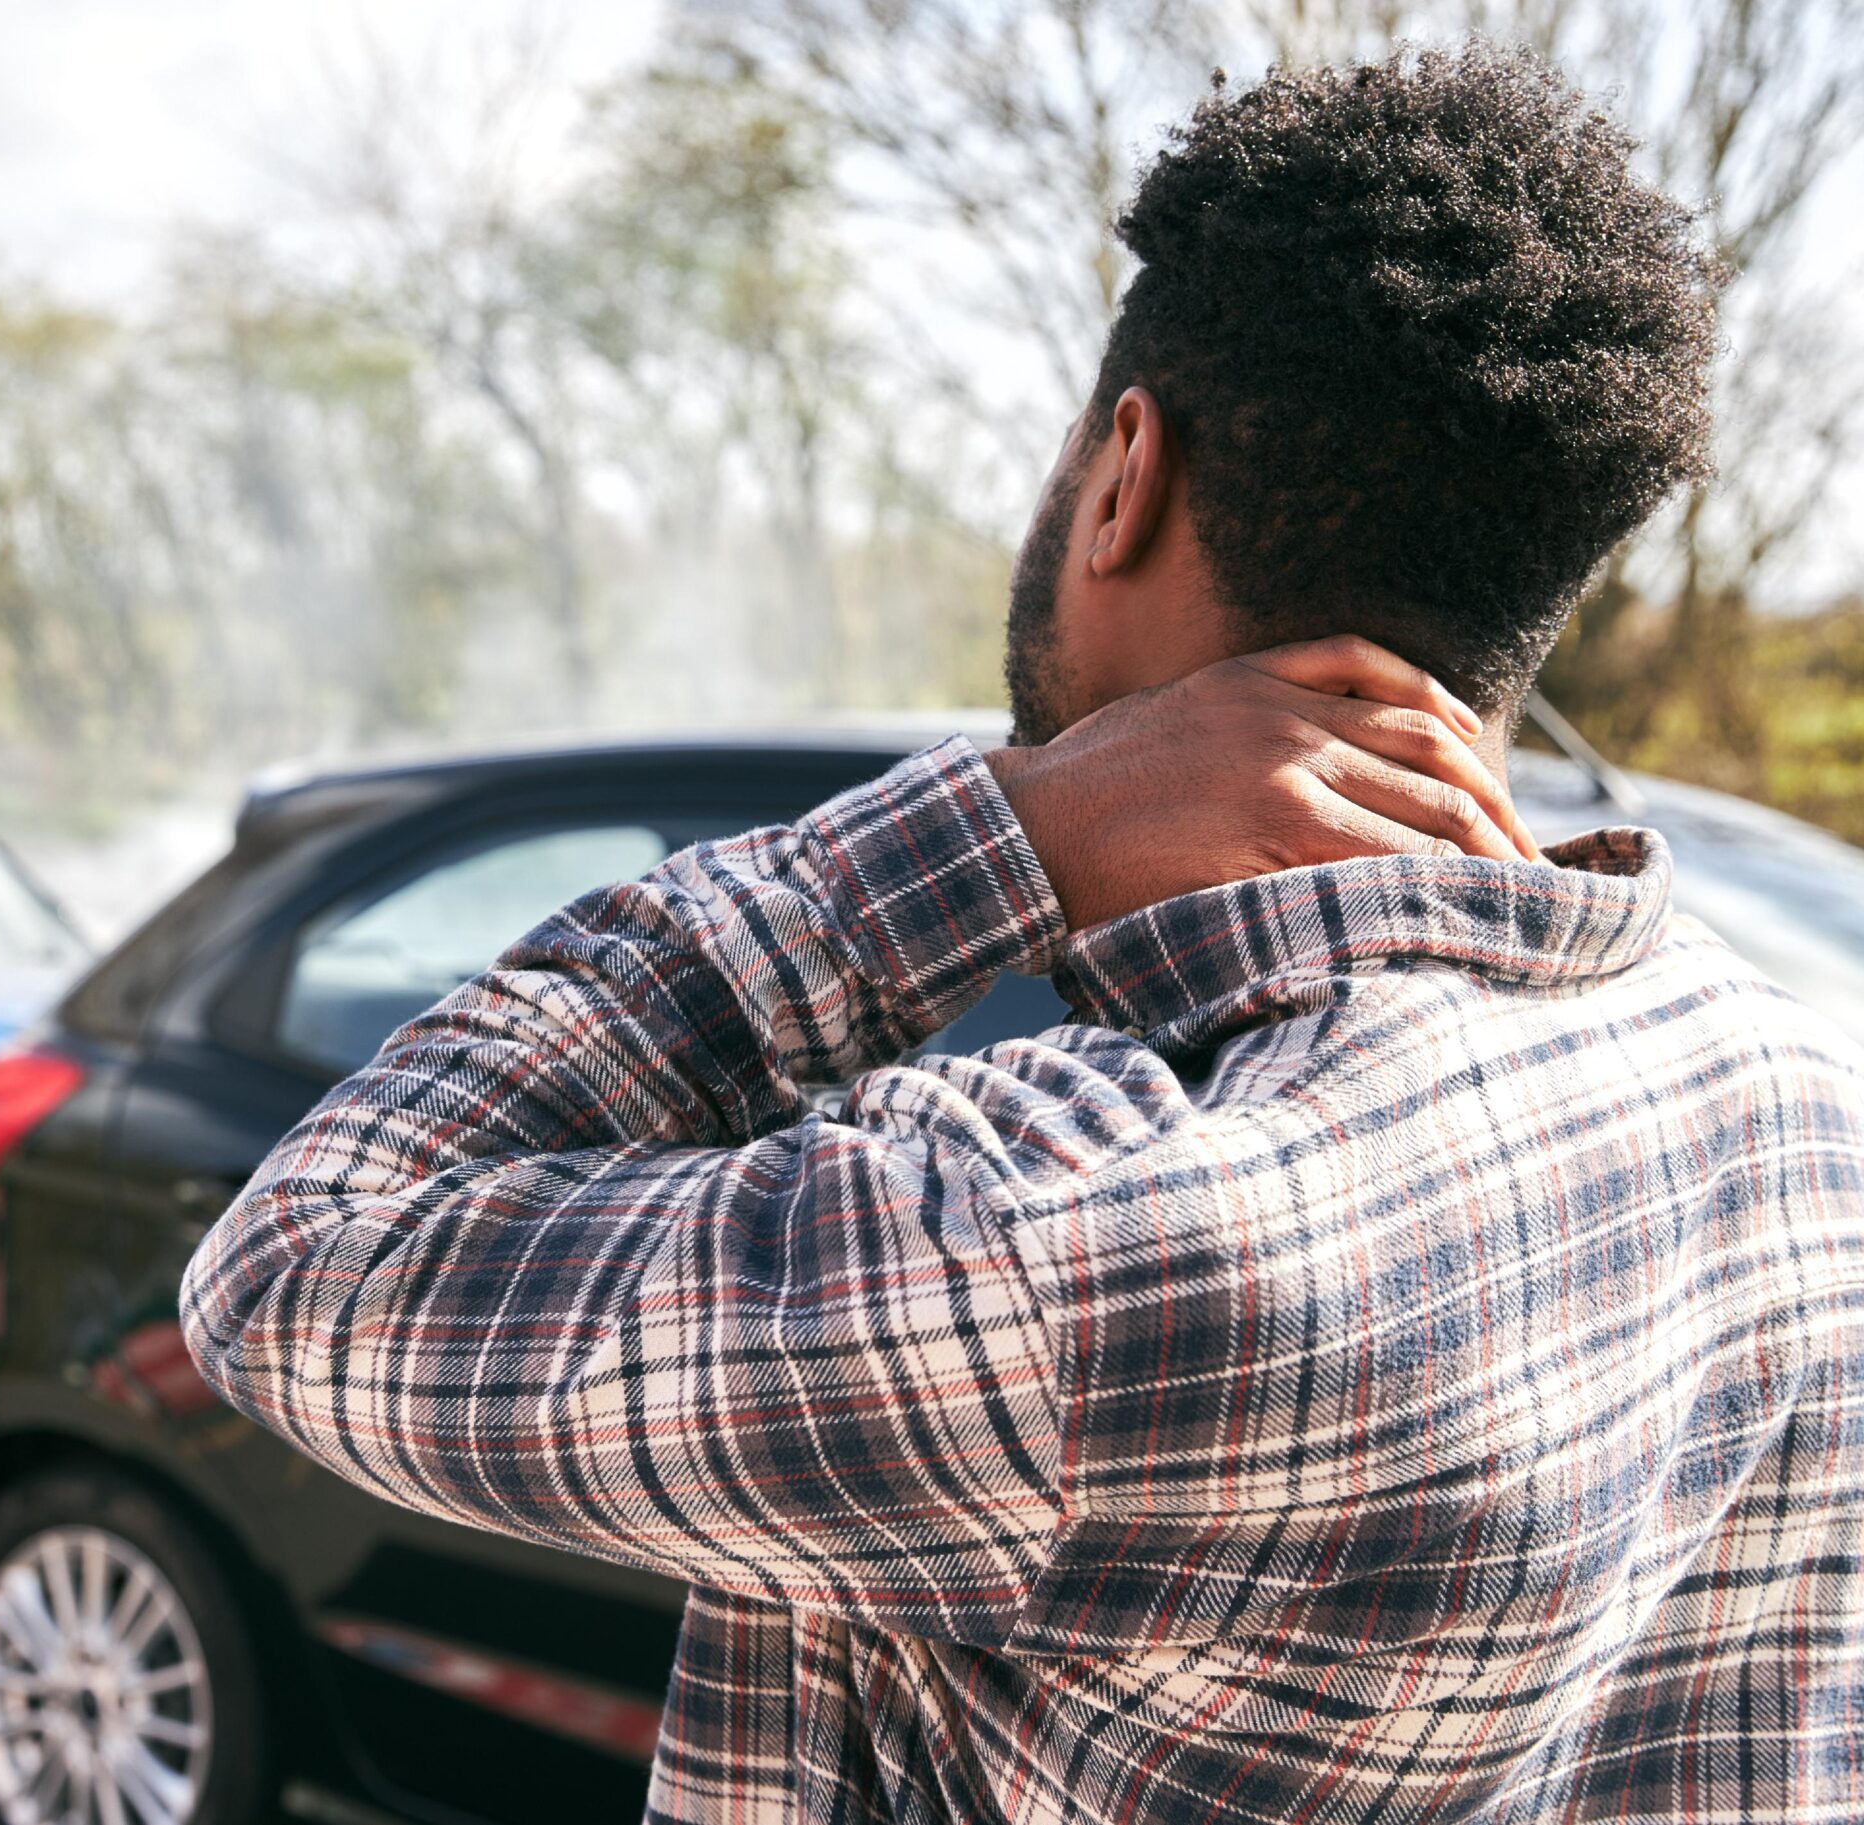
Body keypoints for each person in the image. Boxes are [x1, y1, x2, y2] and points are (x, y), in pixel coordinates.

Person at [182, 44, 1864, 1825]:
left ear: (1123, 472)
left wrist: (1009, 826)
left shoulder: (1066, 1238)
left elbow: (300, 1261)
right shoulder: (1802, 1104)